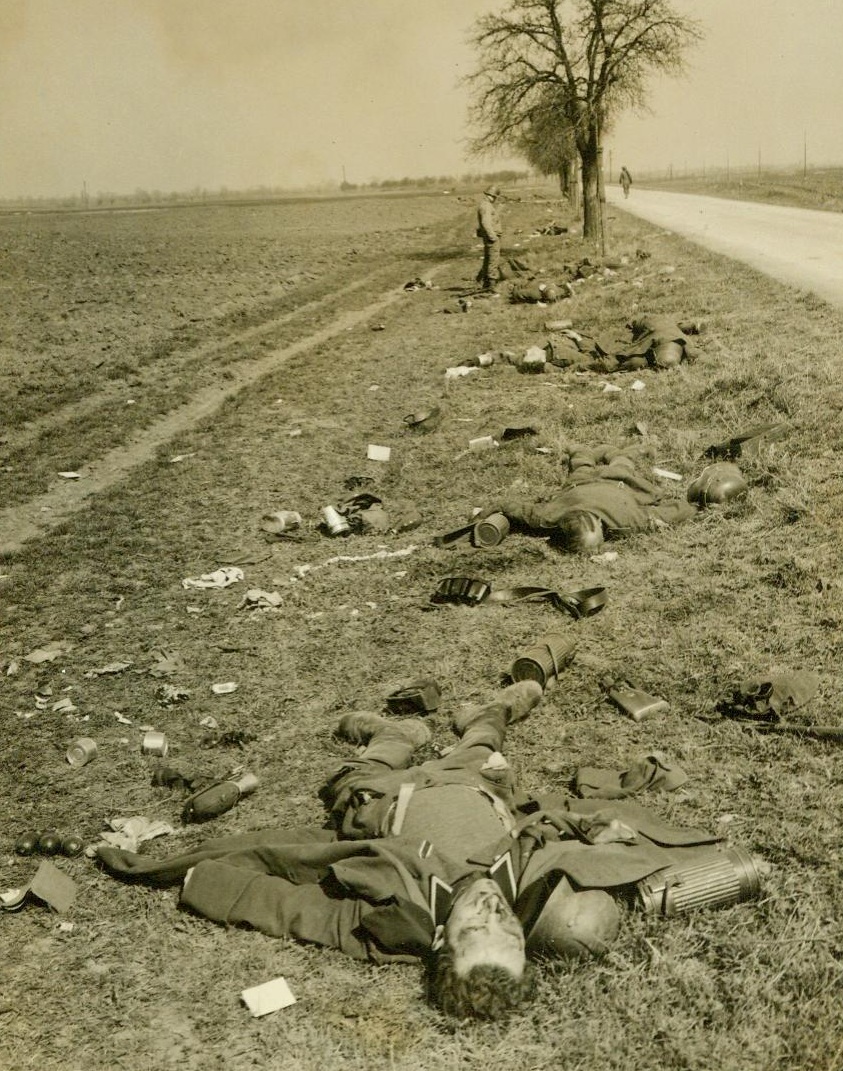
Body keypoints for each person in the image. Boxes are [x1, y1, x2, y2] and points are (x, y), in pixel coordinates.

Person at [97, 681, 729, 1021]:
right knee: (485, 738)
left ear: (440, 946)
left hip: (380, 798)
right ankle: (495, 708)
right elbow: (554, 840)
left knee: (389, 746)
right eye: (505, 934)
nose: (491, 915)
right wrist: (596, 833)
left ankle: (384, 730)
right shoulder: (529, 893)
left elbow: (288, 907)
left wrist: (196, 882)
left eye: (472, 932)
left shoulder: (391, 921)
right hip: (472, 780)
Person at [475, 184, 503, 293]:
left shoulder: (485, 205)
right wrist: (493, 236)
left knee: (488, 259)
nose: (495, 199)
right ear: (490, 195)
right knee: (493, 260)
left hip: (490, 236)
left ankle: (485, 282)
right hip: (491, 237)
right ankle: (491, 285)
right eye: (495, 197)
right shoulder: (486, 206)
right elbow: (485, 223)